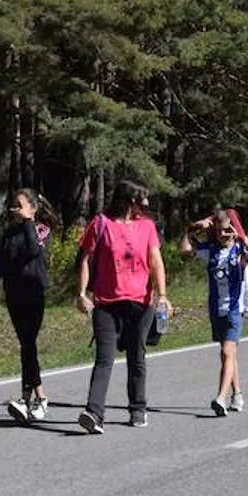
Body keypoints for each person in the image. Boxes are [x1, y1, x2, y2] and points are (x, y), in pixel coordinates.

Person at [75, 180, 170, 433]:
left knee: (136, 356)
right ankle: (94, 413)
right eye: (142, 199)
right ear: (129, 200)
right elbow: (85, 258)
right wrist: (81, 293)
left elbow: (156, 261)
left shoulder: (147, 227)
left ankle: (138, 408)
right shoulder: (101, 224)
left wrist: (162, 295)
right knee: (104, 358)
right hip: (106, 303)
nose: (147, 204)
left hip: (140, 303)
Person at [179, 209, 248, 416]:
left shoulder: (240, 250)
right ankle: (237, 394)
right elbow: (184, 250)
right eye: (219, 232)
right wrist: (191, 229)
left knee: (227, 352)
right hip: (216, 308)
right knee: (229, 354)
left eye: (227, 231)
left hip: (235, 308)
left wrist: (242, 238)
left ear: (233, 229)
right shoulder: (211, 250)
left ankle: (220, 398)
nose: (223, 235)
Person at [0, 188, 53, 424]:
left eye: (20, 205)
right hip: (14, 295)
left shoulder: (40, 230)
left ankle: (37, 398)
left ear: (32, 208)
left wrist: (29, 221)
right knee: (26, 346)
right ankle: (30, 399)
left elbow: (32, 250)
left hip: (34, 294)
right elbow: (0, 264)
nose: (15, 208)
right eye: (14, 205)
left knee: (28, 344)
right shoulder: (8, 233)